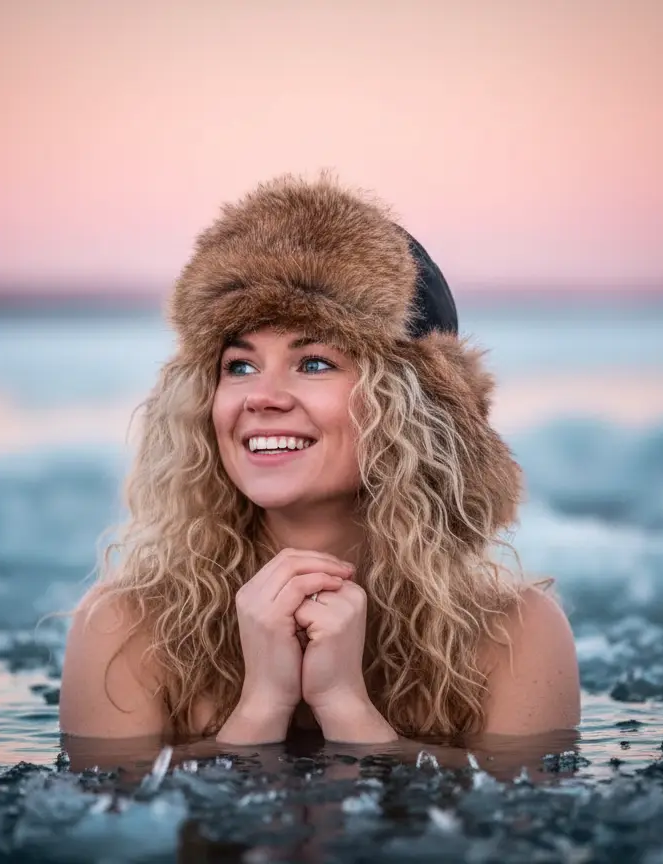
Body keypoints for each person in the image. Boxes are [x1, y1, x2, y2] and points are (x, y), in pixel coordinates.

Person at [59, 173, 580, 746]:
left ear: (409, 407)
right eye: (239, 365)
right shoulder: (123, 629)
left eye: (313, 363)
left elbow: (517, 823)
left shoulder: (516, 634)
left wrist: (345, 706)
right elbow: (110, 826)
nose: (262, 395)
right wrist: (262, 705)